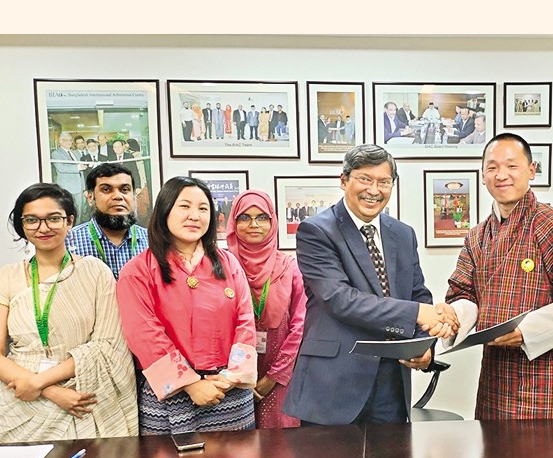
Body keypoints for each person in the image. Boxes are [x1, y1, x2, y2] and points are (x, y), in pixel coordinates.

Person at [282, 144, 457, 426]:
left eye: (384, 182)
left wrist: (424, 346)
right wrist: (417, 314)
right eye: (365, 179)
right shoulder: (316, 231)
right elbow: (340, 299)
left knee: (392, 457)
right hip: (332, 386)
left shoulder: (403, 234)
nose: (374, 190)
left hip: (391, 385)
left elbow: (418, 295)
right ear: (344, 180)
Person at [444, 133, 553, 419]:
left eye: (512, 166)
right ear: (483, 175)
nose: (501, 175)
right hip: (495, 377)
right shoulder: (477, 236)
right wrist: (453, 317)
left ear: (531, 170)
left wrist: (525, 332)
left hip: (546, 378)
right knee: (491, 447)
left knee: (547, 449)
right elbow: (464, 293)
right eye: (492, 167)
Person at [0, 183, 137, 443]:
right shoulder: (4, 279)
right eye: (32, 220)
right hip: (23, 400)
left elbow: (107, 346)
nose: (43, 228)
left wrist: (40, 383)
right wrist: (49, 390)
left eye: (53, 218)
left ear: (69, 221)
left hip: (85, 398)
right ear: (22, 225)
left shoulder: (96, 272)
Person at [116, 176, 259, 434]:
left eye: (203, 208)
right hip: (171, 395)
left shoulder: (229, 264)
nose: (194, 216)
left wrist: (230, 377)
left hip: (229, 391)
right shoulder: (137, 271)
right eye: (184, 206)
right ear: (164, 210)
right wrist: (190, 384)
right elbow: (144, 335)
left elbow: (245, 322)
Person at [226, 190, 307, 428]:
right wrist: (237, 377)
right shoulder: (221, 266)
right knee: (236, 445)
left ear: (273, 223)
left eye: (262, 217)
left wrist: (274, 376)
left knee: (280, 443)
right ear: (233, 222)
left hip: (280, 375)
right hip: (230, 377)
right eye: (245, 217)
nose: (254, 224)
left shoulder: (290, 267)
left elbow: (301, 325)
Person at [66, 163, 148, 280]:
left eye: (125, 190)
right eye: (106, 189)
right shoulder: (69, 242)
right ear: (90, 197)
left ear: (134, 196)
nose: (118, 196)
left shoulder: (153, 241)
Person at [50, 132, 88, 222]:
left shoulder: (74, 153)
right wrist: (78, 167)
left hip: (80, 187)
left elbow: (81, 172)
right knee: (70, 213)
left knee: (81, 212)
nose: (69, 142)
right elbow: (61, 168)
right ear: (60, 141)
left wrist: (84, 188)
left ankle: (79, 229)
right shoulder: (56, 153)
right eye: (66, 140)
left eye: (70, 140)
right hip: (68, 188)